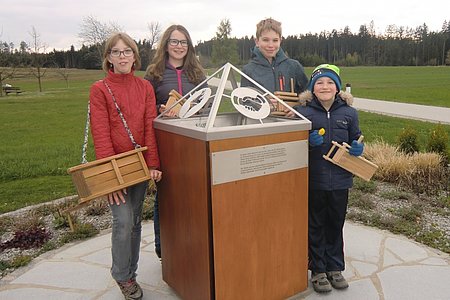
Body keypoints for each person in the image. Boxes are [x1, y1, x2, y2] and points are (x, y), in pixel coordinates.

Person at [89, 32, 162, 300]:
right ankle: (121, 275)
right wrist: (110, 178)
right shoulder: (99, 89)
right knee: (122, 222)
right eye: (116, 52)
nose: (122, 56)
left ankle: (131, 274)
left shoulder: (144, 88)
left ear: (134, 55)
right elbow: (101, 133)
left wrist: (153, 163)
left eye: (127, 51)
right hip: (115, 167)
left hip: (138, 166)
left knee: (134, 223)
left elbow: (148, 128)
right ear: (108, 58)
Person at [292, 64, 364, 293]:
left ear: (337, 87)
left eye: (330, 82)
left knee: (335, 223)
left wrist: (357, 148)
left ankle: (335, 267)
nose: (325, 86)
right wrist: (306, 142)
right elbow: (293, 148)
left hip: (341, 180)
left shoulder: (349, 113)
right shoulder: (303, 113)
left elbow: (358, 138)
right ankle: (318, 270)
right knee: (315, 224)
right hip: (315, 180)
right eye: (320, 83)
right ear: (312, 88)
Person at [144, 24, 205, 258]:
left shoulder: (197, 73)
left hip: (193, 143)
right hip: (167, 144)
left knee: (193, 194)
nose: (179, 46)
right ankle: (164, 247)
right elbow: (147, 111)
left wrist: (194, 111)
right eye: (174, 41)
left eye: (183, 42)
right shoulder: (154, 74)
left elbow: (207, 104)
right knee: (166, 197)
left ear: (189, 46)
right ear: (166, 45)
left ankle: (191, 247)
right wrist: (160, 111)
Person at [240, 18, 308, 94]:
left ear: (280, 41)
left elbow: (307, 98)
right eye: (265, 40)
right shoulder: (248, 70)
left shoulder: (294, 67)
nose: (270, 45)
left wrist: (292, 104)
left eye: (275, 40)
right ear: (257, 42)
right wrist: (264, 103)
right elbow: (245, 102)